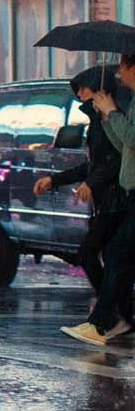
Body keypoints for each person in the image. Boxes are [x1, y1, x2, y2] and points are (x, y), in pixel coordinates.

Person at [38, 67, 128, 331]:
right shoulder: (96, 121)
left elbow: (117, 159)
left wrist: (92, 182)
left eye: (82, 88)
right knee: (113, 259)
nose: (78, 94)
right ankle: (121, 315)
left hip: (116, 201)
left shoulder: (111, 118)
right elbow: (93, 164)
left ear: (97, 88)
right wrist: (55, 180)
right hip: (105, 202)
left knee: (95, 253)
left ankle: (110, 315)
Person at [64, 55, 135, 346]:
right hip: (129, 193)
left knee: (116, 254)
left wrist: (113, 113)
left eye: (123, 67)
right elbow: (124, 145)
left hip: (124, 196)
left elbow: (132, 139)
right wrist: (107, 117)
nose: (120, 74)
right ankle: (116, 319)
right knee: (120, 258)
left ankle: (102, 323)